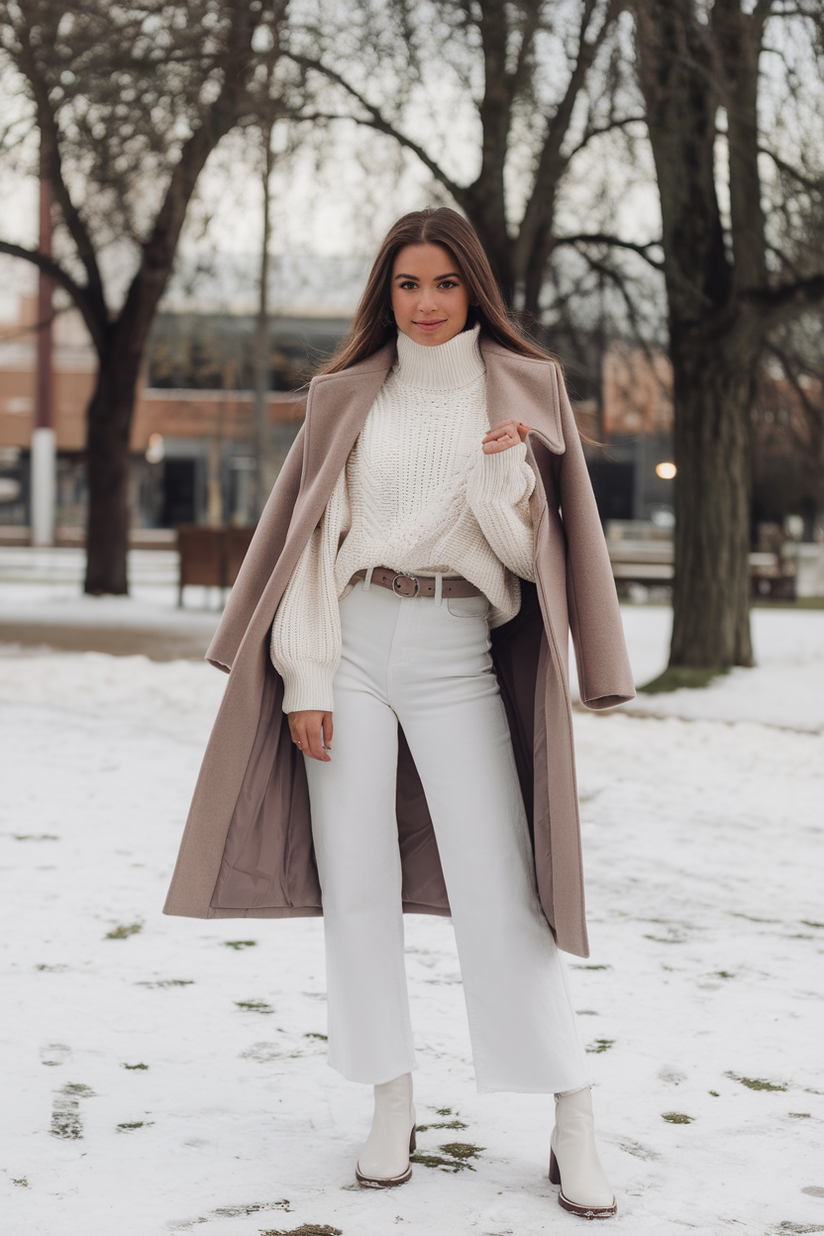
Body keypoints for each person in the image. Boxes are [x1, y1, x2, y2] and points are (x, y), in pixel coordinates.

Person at [164, 207, 635, 1219]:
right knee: (357, 884)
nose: (423, 305)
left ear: (474, 290)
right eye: (405, 285)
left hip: (456, 646)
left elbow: (526, 567)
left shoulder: (521, 389)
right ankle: (390, 1100)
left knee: (500, 889)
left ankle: (572, 1114)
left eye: (443, 285)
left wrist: (502, 476)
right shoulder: (345, 395)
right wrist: (308, 677)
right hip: (349, 644)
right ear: (385, 292)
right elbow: (306, 547)